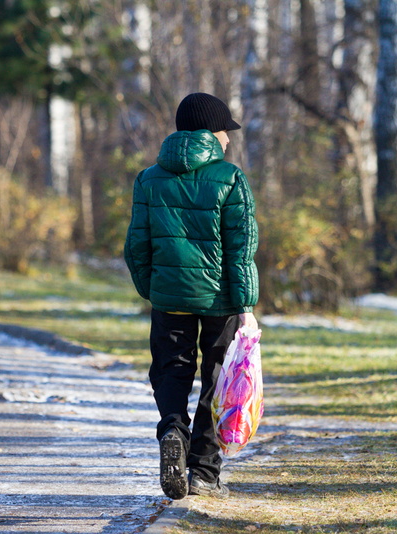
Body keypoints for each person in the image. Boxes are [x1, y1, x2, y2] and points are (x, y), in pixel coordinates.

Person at [124, 92, 259, 500]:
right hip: (220, 301)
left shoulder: (148, 178)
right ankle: (203, 472)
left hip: (168, 298)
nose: (229, 140)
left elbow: (136, 246)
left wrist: (154, 289)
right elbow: (241, 248)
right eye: (225, 131)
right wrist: (246, 305)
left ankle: (171, 430)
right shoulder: (230, 178)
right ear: (211, 133)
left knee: (171, 371)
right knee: (216, 381)